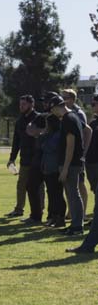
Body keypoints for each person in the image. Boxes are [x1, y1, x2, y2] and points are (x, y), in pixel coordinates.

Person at [48, 95, 85, 236]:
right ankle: (75, 225)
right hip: (72, 163)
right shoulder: (72, 117)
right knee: (71, 194)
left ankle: (77, 227)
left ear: (57, 107)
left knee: (73, 194)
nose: (52, 113)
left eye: (52, 109)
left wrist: (65, 168)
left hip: (70, 164)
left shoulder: (68, 119)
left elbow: (70, 145)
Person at [67, 95, 98, 253]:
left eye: (94, 104)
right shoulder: (93, 123)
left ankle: (88, 245)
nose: (92, 106)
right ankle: (88, 245)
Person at [6, 95, 39, 219]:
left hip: (37, 159)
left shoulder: (38, 118)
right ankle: (19, 209)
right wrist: (12, 158)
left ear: (31, 105)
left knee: (37, 186)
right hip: (25, 159)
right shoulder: (20, 120)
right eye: (20, 104)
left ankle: (38, 210)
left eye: (23, 104)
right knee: (21, 185)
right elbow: (16, 141)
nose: (21, 107)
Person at [62, 89, 92, 219]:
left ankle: (83, 212)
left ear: (73, 99)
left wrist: (83, 152)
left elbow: (87, 132)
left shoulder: (78, 113)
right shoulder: (66, 113)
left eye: (66, 97)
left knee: (79, 183)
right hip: (69, 154)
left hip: (77, 156)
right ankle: (71, 211)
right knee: (70, 184)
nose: (63, 100)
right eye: (62, 97)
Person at [36, 114, 66, 228]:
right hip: (47, 168)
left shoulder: (57, 135)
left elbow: (48, 147)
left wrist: (43, 138)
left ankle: (60, 218)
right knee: (51, 194)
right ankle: (53, 217)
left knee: (57, 194)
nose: (46, 126)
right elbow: (40, 144)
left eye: (47, 124)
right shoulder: (49, 134)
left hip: (55, 168)